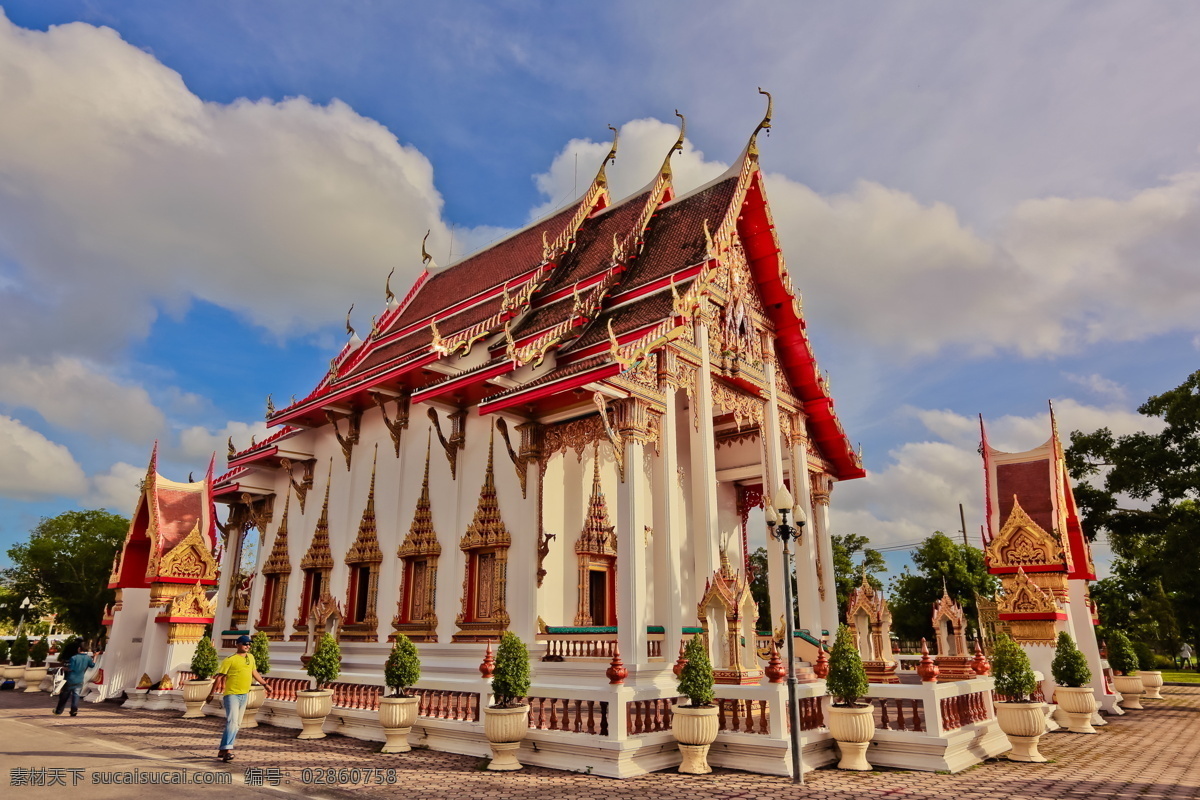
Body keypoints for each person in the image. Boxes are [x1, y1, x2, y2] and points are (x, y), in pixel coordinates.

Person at [214, 634, 267, 763]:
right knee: (232, 722)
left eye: (249, 644)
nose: (247, 646)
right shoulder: (230, 659)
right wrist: (211, 693)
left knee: (236, 724)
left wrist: (265, 684)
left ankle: (223, 749)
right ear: (237, 645)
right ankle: (228, 750)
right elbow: (219, 677)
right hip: (232, 694)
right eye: (245, 644)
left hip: (244, 694)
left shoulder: (251, 657)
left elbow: (254, 673)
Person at [54, 641, 95, 717]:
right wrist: (95, 657)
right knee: (76, 696)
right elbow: (92, 665)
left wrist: (63, 668)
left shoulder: (74, 657)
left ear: (79, 649)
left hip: (70, 679)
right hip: (80, 679)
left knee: (64, 695)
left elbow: (71, 668)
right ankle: (74, 711)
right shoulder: (88, 658)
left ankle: (58, 711)